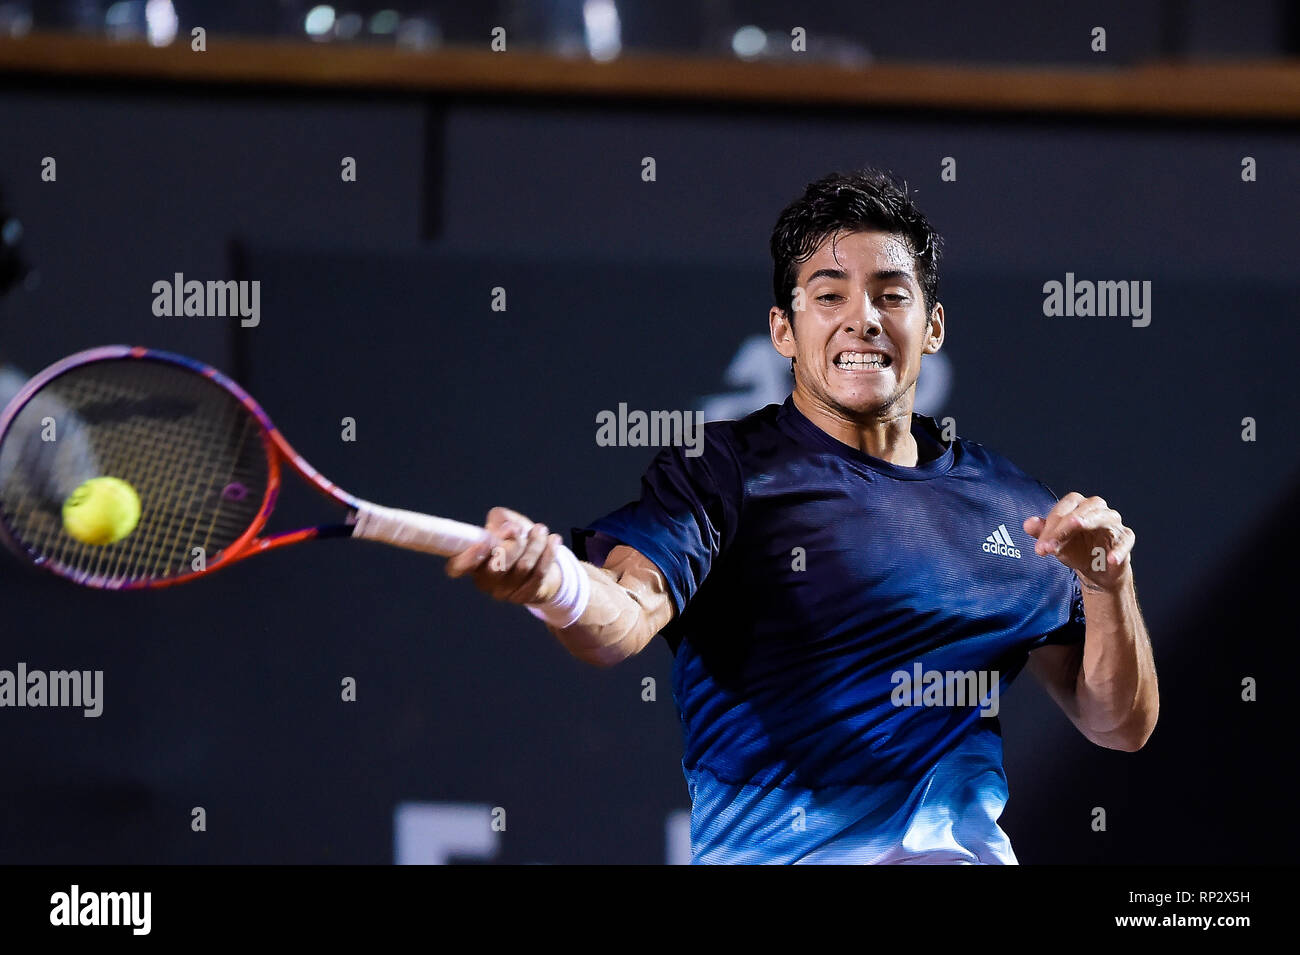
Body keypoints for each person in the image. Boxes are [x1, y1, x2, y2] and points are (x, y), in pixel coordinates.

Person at [445, 168, 1158, 864]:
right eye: (829, 295)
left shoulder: (1016, 506)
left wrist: (1107, 583)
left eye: (892, 295)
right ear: (783, 330)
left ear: (932, 325)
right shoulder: (723, 473)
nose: (864, 318)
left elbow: (1120, 724)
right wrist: (555, 586)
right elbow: (625, 616)